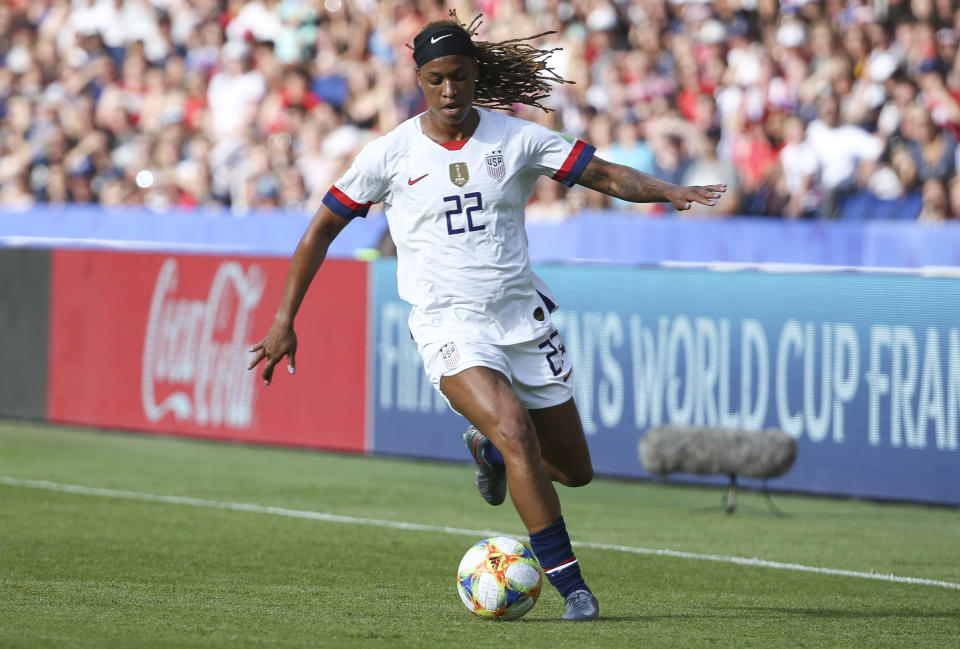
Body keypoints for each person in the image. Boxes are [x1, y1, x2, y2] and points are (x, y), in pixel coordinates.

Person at [248, 13, 725, 621]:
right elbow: (320, 231)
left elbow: (602, 174)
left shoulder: (516, 138)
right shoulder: (388, 154)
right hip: (448, 324)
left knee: (574, 470)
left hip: (522, 319)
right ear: (418, 79)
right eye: (436, 79)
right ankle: (573, 587)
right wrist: (285, 318)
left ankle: (491, 454)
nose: (450, 92)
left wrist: (668, 190)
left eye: (461, 77)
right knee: (513, 426)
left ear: (477, 74)